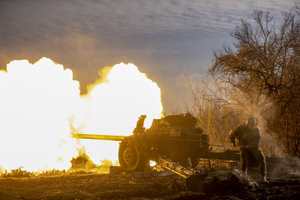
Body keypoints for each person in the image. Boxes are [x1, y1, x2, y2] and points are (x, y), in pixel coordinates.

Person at [229, 117, 268, 184]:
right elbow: (231, 133)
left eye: (253, 126)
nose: (252, 128)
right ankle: (244, 178)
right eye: (250, 126)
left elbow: (258, 140)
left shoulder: (257, 129)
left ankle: (263, 177)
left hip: (253, 146)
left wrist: (251, 146)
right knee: (244, 161)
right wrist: (233, 142)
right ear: (247, 123)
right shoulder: (240, 128)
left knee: (262, 159)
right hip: (243, 146)